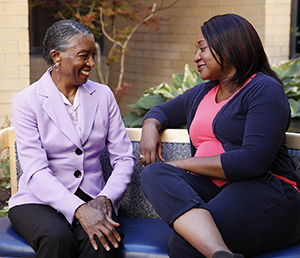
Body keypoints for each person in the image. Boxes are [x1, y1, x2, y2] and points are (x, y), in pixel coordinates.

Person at [139, 13, 300, 258]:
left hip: (266, 191)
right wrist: (150, 127)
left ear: (228, 45)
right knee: (154, 172)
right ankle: (220, 253)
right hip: (212, 190)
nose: (195, 57)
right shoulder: (200, 93)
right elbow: (160, 111)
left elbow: (252, 161)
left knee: (186, 243)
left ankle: (216, 252)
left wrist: (181, 164)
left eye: (202, 48)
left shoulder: (264, 90)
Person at [8, 20, 135, 258]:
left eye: (93, 55)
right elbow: (35, 170)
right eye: (83, 56)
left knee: (101, 241)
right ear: (57, 57)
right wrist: (78, 209)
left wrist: (106, 197)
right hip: (38, 201)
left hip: (94, 196)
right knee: (56, 238)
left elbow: (124, 157)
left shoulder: (103, 95)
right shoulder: (27, 100)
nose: (92, 63)